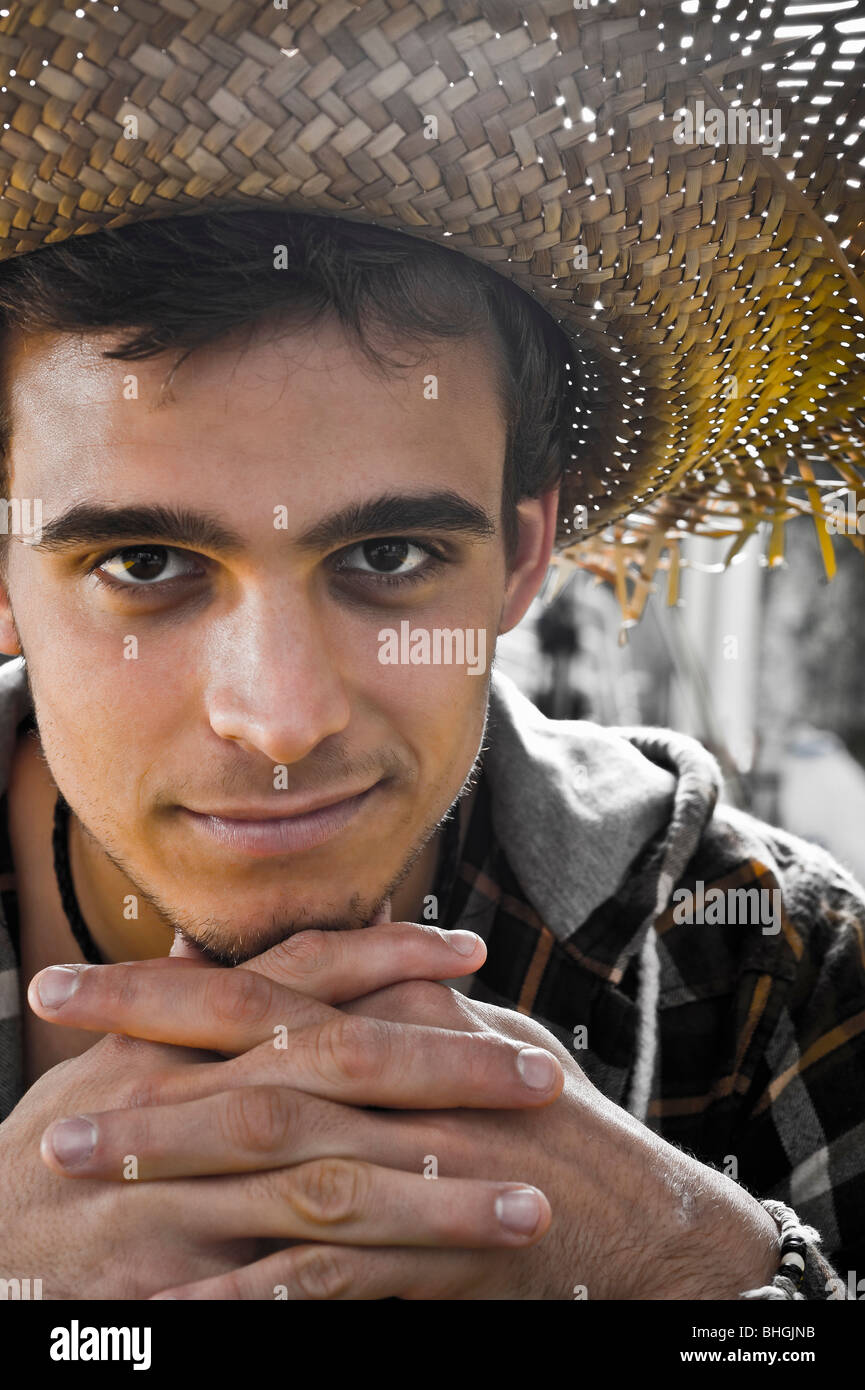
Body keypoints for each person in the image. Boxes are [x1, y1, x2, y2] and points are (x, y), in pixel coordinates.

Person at [0, 0, 863, 1302]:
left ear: (523, 556)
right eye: (144, 563)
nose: (280, 719)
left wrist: (709, 1269)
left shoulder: (760, 965)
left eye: (389, 556)